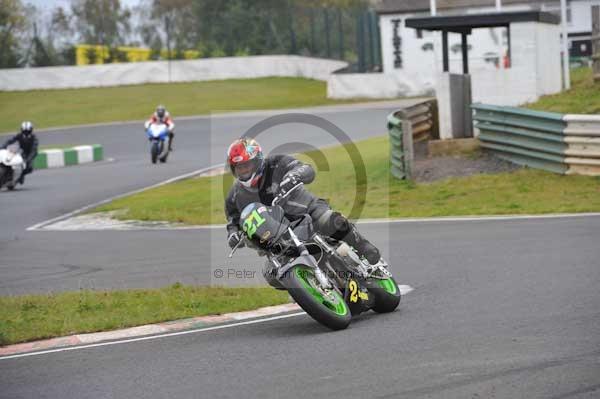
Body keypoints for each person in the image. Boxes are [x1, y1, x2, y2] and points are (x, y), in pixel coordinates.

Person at [225, 138, 381, 269]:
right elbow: (234, 220)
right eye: (239, 168)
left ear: (258, 160)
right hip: (276, 235)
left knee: (329, 219)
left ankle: (363, 246)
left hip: (307, 210)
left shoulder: (276, 163)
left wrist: (293, 176)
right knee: (271, 271)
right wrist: (233, 234)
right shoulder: (235, 195)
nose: (244, 171)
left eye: (247, 166)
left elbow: (305, 168)